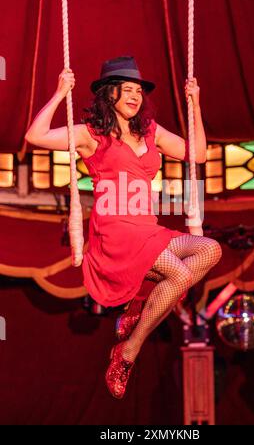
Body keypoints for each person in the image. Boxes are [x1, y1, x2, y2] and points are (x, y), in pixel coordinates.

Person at [25, 56, 222, 399]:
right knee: (178, 277)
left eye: (138, 90)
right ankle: (128, 350)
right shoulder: (91, 135)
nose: (134, 95)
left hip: (148, 228)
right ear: (109, 93)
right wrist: (59, 93)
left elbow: (199, 154)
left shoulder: (150, 131)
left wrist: (196, 104)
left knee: (210, 250)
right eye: (126, 89)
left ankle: (140, 306)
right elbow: (35, 135)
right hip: (116, 232)